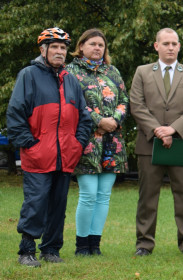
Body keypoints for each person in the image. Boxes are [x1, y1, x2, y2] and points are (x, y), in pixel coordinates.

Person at [6, 27, 92, 267]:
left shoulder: (71, 80)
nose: (59, 51)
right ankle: (26, 250)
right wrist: (29, 145)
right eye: (54, 47)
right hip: (38, 156)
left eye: (63, 48)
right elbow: (15, 115)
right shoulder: (29, 75)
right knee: (36, 203)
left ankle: (51, 249)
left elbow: (84, 119)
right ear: (43, 50)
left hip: (65, 156)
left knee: (58, 205)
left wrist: (77, 145)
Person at [129, 28, 183, 256]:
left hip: (181, 143)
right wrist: (158, 130)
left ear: (179, 46)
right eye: (166, 43)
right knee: (147, 197)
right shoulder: (142, 72)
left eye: (174, 43)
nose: (170, 47)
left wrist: (173, 129)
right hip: (149, 144)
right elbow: (137, 105)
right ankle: (144, 244)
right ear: (156, 46)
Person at [66, 28, 129, 257]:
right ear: (81, 46)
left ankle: (95, 243)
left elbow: (123, 99)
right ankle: (82, 245)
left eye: (101, 45)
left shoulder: (112, 72)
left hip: (113, 141)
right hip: (86, 141)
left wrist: (115, 120)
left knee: (104, 194)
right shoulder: (70, 72)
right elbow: (73, 104)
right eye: (92, 44)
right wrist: (99, 121)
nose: (97, 48)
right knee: (88, 193)